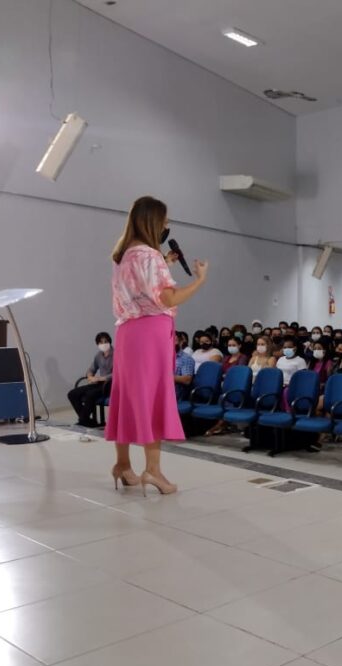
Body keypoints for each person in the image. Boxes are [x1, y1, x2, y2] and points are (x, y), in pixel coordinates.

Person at [105, 196, 208, 496]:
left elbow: (139, 286)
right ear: (153, 222)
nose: (166, 226)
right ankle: (153, 471)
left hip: (127, 331)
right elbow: (167, 298)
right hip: (151, 332)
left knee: (126, 396)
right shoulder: (150, 256)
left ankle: (123, 464)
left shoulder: (123, 255)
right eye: (164, 221)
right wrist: (200, 280)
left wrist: (166, 262)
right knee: (153, 397)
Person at [68, 332, 114, 427]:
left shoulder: (117, 354)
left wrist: (101, 378)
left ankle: (83, 421)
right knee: (72, 394)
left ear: (109, 342)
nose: (103, 344)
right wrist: (90, 376)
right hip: (99, 383)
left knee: (90, 394)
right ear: (97, 344)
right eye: (101, 342)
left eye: (105, 341)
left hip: (111, 384)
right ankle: (87, 421)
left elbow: (118, 374)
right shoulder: (98, 355)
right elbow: (91, 369)